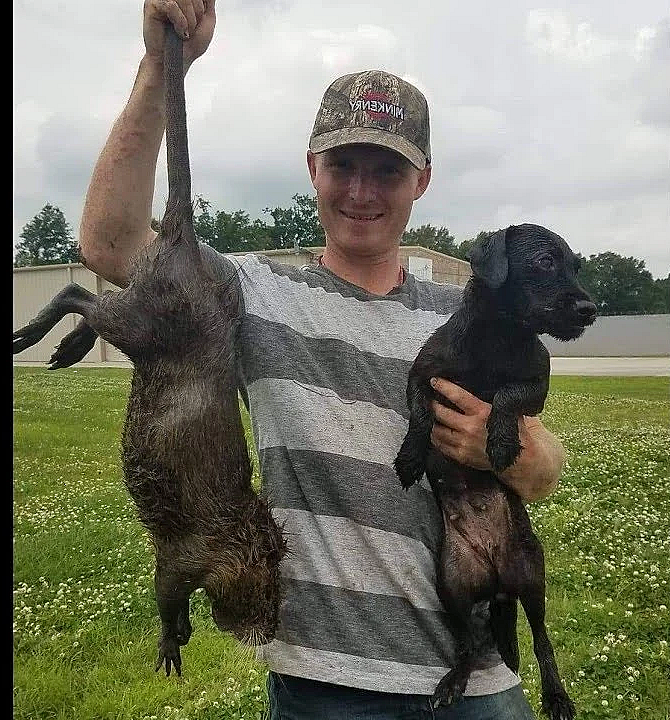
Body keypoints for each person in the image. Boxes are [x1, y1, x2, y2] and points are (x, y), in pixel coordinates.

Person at [78, 1, 570, 717]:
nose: (362, 192)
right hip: (327, 685)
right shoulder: (249, 291)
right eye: (343, 165)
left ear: (422, 182)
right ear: (312, 168)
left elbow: (546, 464)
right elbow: (108, 240)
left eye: (387, 172)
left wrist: (524, 455)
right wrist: (161, 66)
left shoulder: (469, 316)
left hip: (477, 680)